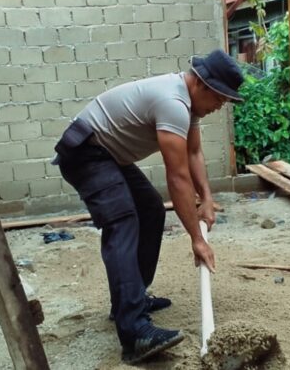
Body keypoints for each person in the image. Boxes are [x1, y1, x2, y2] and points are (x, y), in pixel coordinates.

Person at [52, 49, 245, 363]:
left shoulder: (189, 104)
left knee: (151, 210)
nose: (220, 106)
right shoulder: (173, 102)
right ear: (203, 86)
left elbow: (194, 154)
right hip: (86, 152)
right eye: (220, 99)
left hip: (109, 155)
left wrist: (207, 198)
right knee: (123, 221)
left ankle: (131, 300)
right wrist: (196, 238)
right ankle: (135, 334)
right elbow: (178, 176)